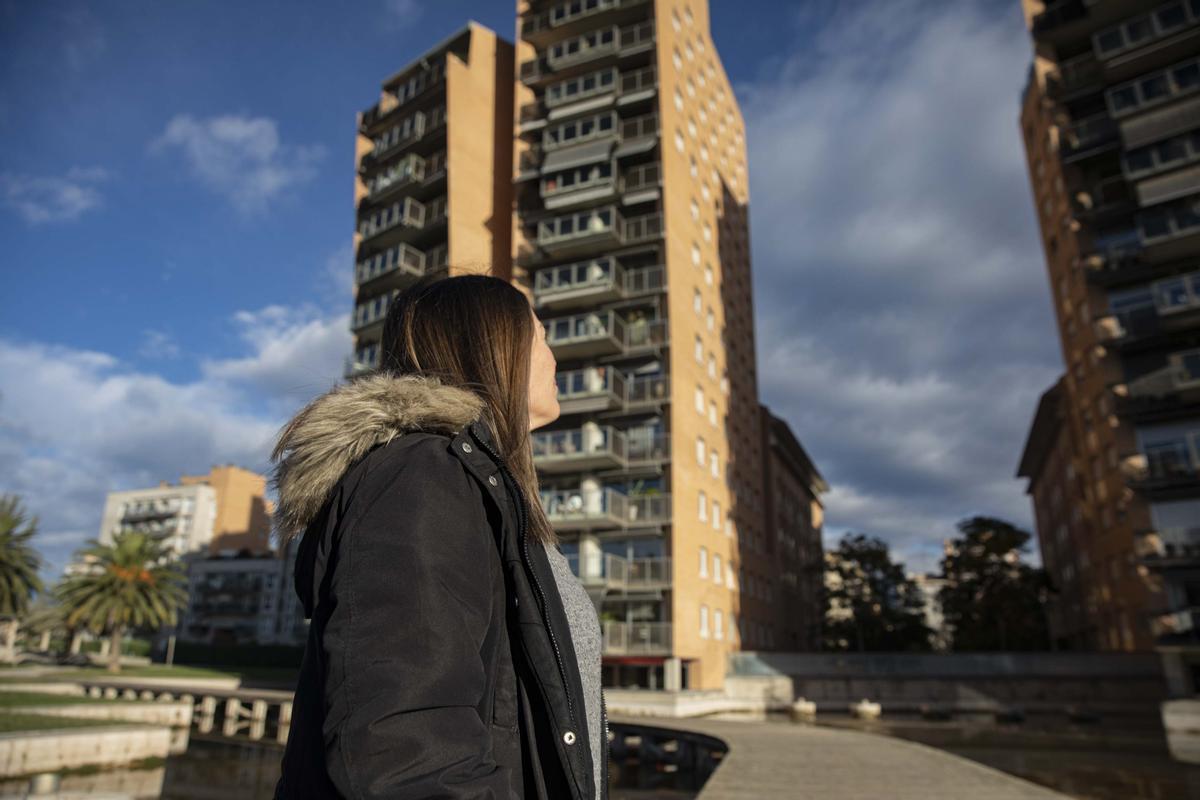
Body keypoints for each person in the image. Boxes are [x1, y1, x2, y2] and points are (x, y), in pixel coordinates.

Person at [271, 274, 609, 799]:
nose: (554, 356)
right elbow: (406, 743)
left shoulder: (482, 488)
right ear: (495, 346)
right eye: (541, 335)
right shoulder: (422, 475)